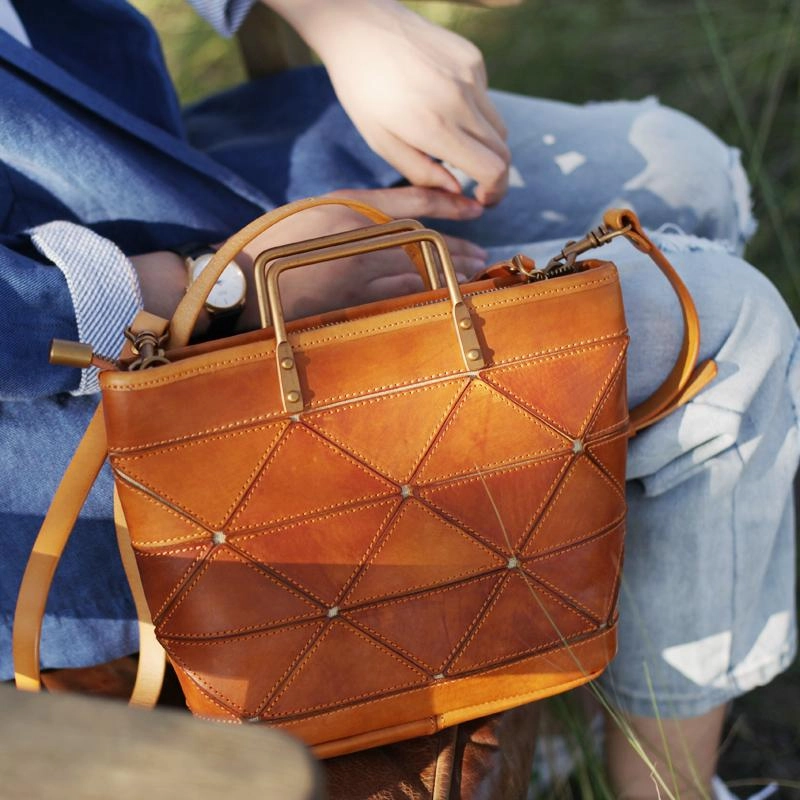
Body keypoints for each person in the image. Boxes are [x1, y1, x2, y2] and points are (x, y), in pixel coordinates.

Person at [0, 1, 796, 797]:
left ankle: (576, 684)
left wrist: (343, 18)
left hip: (142, 167)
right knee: (730, 331)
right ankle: (668, 785)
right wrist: (214, 287)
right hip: (68, 388)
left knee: (680, 173)